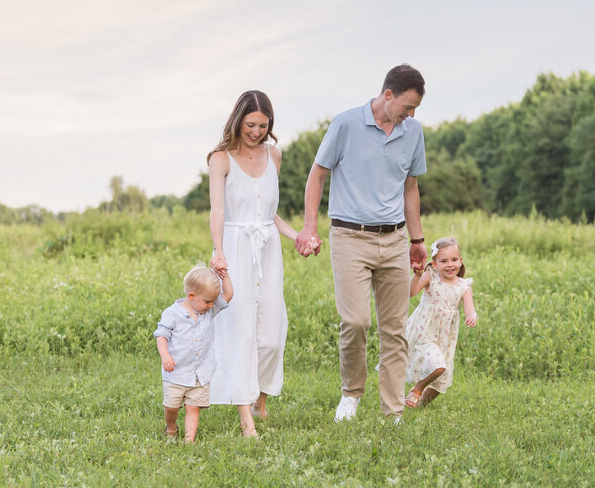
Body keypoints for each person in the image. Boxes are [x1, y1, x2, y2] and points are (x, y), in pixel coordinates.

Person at [296, 64, 429, 422]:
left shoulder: (413, 132)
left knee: (394, 328)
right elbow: (317, 174)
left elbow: (410, 188)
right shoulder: (346, 124)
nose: (411, 114)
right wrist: (310, 227)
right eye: (407, 106)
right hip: (350, 236)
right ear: (388, 95)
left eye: (415, 109)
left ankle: (393, 411)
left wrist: (417, 240)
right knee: (355, 322)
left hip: (396, 238)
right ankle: (351, 394)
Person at [207, 90, 304, 437]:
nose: (256, 132)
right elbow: (218, 210)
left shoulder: (273, 155)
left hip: (267, 248)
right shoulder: (220, 159)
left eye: (263, 126)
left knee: (272, 334)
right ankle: (245, 413)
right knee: (241, 329)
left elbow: (269, 213)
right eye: (251, 125)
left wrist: (298, 236)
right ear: (238, 120)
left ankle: (261, 397)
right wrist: (218, 250)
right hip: (234, 247)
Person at [153, 266, 234, 443]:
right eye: (207, 301)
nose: (212, 304)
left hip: (200, 373)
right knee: (171, 406)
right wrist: (165, 356)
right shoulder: (172, 314)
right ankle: (171, 427)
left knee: (193, 407)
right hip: (176, 372)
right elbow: (161, 336)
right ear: (191, 296)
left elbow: (228, 294)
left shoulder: (208, 311)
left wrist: (224, 275)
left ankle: (189, 440)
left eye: (213, 301)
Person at [404, 237, 477, 408]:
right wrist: (417, 275)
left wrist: (472, 316)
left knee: (441, 380)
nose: (450, 264)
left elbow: (470, 308)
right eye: (444, 261)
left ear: (460, 261)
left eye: (454, 260)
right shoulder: (431, 277)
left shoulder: (464, 286)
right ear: (435, 263)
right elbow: (411, 292)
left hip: (446, 339)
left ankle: (420, 406)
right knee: (438, 367)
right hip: (425, 332)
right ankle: (417, 389)